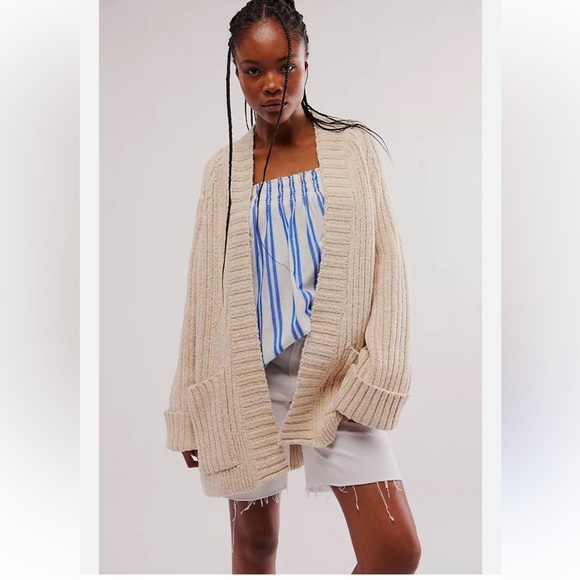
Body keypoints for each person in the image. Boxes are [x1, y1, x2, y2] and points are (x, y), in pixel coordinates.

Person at [164, 0, 421, 573]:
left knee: (395, 552)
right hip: (245, 381)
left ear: (307, 61)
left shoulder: (353, 150)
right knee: (254, 548)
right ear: (236, 73)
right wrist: (187, 409)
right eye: (253, 70)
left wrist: (376, 375)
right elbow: (202, 298)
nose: (272, 84)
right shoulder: (222, 171)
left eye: (287, 65)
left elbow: (390, 272)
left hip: (334, 376)